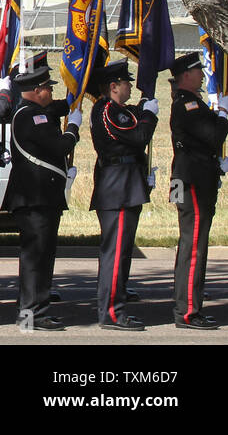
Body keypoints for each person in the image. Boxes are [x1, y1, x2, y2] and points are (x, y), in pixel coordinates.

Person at [3, 61, 78, 331]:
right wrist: (73, 129)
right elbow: (59, 147)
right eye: (47, 88)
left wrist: (70, 101)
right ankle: (33, 313)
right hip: (35, 198)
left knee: (42, 256)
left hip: (40, 197)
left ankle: (34, 309)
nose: (50, 92)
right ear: (36, 91)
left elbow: (56, 108)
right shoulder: (31, 116)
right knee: (36, 258)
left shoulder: (33, 111)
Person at [89, 59, 157, 331]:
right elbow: (138, 136)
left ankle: (116, 304)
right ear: (114, 86)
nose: (130, 86)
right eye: (127, 82)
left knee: (122, 252)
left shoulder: (119, 109)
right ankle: (112, 313)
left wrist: (143, 108)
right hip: (117, 187)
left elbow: (134, 121)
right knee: (115, 253)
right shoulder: (107, 110)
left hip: (127, 185)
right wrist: (150, 115)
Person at [167, 52, 227, 330]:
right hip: (192, 181)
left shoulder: (193, 103)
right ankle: (188, 311)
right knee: (194, 248)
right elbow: (213, 136)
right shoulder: (187, 104)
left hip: (197, 176)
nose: (202, 75)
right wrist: (224, 115)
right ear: (186, 76)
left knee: (195, 246)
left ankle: (190, 305)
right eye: (198, 72)